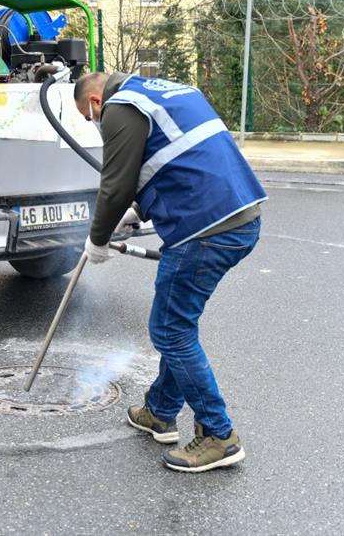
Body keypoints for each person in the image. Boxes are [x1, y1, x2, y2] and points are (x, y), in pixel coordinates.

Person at [74, 70, 265, 473]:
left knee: (170, 331)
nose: (95, 122)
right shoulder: (166, 91)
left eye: (89, 116)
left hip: (206, 229)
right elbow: (179, 160)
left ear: (94, 101)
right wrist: (139, 210)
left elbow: (115, 182)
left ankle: (218, 435)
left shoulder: (119, 108)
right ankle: (159, 412)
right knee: (178, 324)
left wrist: (99, 237)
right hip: (239, 216)